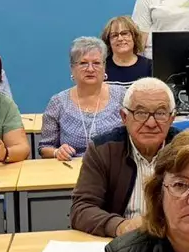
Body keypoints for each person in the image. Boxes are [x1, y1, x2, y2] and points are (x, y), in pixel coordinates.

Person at [70, 78, 178, 237]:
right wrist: (120, 226)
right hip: (122, 243)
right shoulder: (103, 150)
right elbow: (82, 209)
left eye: (160, 113)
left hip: (174, 241)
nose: (151, 123)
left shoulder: (186, 150)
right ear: (124, 117)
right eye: (141, 113)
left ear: (172, 118)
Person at [40, 37, 126, 160]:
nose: (90, 69)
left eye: (96, 63)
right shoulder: (58, 102)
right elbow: (44, 147)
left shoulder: (123, 96)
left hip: (114, 165)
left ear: (104, 67)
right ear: (72, 68)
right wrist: (57, 152)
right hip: (71, 167)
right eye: (83, 63)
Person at [101, 15, 152, 84]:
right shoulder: (101, 67)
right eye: (114, 35)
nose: (120, 39)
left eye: (124, 33)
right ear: (108, 41)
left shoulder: (150, 67)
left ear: (134, 37)